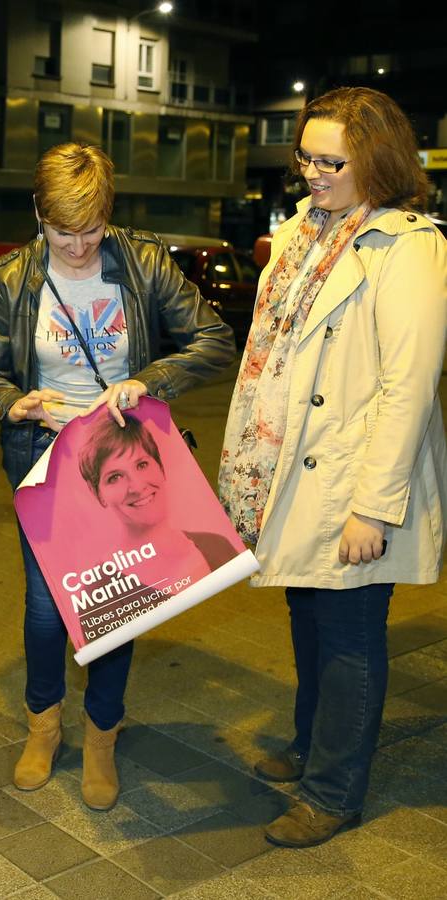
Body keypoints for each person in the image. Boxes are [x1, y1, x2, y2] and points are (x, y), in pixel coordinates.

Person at [0, 142, 235, 811]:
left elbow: (214, 341)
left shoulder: (143, 262)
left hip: (122, 454)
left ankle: (100, 737)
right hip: (43, 454)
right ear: (38, 213)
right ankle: (43, 725)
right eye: (63, 232)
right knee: (44, 608)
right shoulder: (10, 278)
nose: (78, 246)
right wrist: (15, 403)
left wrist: (146, 381)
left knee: (115, 605)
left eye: (91, 230)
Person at [218, 86, 447, 848]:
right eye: (305, 158)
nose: (312, 174)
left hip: (351, 478)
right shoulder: (299, 234)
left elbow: (408, 387)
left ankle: (334, 791)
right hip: (288, 469)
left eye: (331, 162)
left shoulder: (408, 246)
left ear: (376, 160)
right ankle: (309, 740)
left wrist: (373, 507)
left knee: (349, 633)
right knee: (307, 616)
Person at [77, 415, 238, 572]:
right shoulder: (100, 586)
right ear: (98, 493)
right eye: (115, 477)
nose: (137, 487)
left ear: (160, 466)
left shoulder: (217, 545)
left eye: (142, 465)